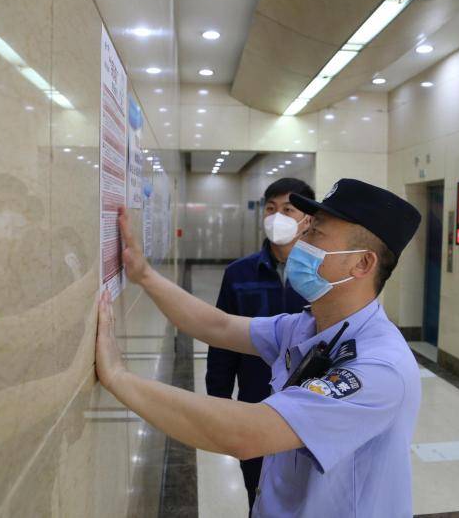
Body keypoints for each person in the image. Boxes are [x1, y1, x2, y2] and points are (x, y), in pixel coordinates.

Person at [95, 178, 422, 517]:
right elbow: (218, 326)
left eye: (315, 234)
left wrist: (118, 376)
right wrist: (144, 274)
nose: (300, 242)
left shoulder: (380, 368)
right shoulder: (306, 326)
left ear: (362, 264)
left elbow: (246, 434)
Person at [206, 177, 314, 511]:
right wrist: (219, 403)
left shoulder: (323, 274)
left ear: (308, 219)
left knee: (308, 492)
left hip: (310, 404)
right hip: (255, 400)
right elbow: (221, 340)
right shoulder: (239, 273)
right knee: (258, 488)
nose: (276, 216)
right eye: (271, 208)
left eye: (288, 209)